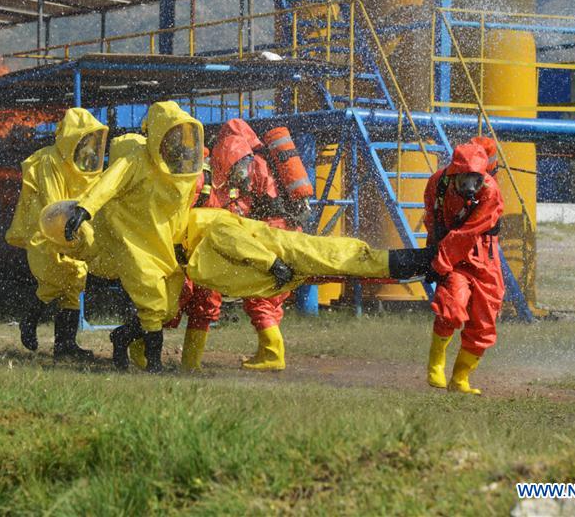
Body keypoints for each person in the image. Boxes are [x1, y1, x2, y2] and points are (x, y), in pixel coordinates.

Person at [46, 204, 435, 334]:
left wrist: (271, 263)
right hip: (230, 259)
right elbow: (226, 239)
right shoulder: (163, 224)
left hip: (226, 263)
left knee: (343, 260)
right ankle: (419, 264)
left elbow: (225, 239)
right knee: (336, 257)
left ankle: (421, 264)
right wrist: (271, 262)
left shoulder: (122, 238)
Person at [63, 101, 204, 373]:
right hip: (129, 240)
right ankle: (154, 364)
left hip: (161, 244)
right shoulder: (135, 160)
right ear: (159, 134)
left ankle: (122, 337)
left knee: (168, 307)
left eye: (180, 135)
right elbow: (107, 185)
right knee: (152, 301)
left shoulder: (181, 171)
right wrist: (84, 209)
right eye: (172, 135)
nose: (178, 143)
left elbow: (179, 212)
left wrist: (181, 242)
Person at [181, 118, 298, 371]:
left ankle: (270, 355)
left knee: (249, 298)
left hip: (263, 240)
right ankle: (182, 360)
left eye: (245, 167)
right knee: (187, 301)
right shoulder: (221, 179)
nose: (243, 175)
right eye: (239, 168)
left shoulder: (242, 178)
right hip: (209, 247)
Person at [5, 108, 108, 359]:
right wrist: (68, 226)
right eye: (84, 139)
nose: (89, 146)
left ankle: (65, 345)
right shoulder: (50, 159)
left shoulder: (84, 164)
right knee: (55, 278)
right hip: (47, 231)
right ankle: (29, 320)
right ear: (72, 137)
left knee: (76, 280)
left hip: (73, 229)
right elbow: (53, 203)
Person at [423, 143, 504, 395]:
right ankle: (436, 363)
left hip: (483, 258)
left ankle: (460, 379)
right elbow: (432, 217)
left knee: (484, 321)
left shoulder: (490, 191)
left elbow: (467, 233)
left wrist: (440, 262)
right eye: (465, 179)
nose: (471, 186)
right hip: (454, 258)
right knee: (452, 306)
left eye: (476, 179)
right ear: (454, 173)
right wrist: (436, 255)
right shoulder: (438, 183)